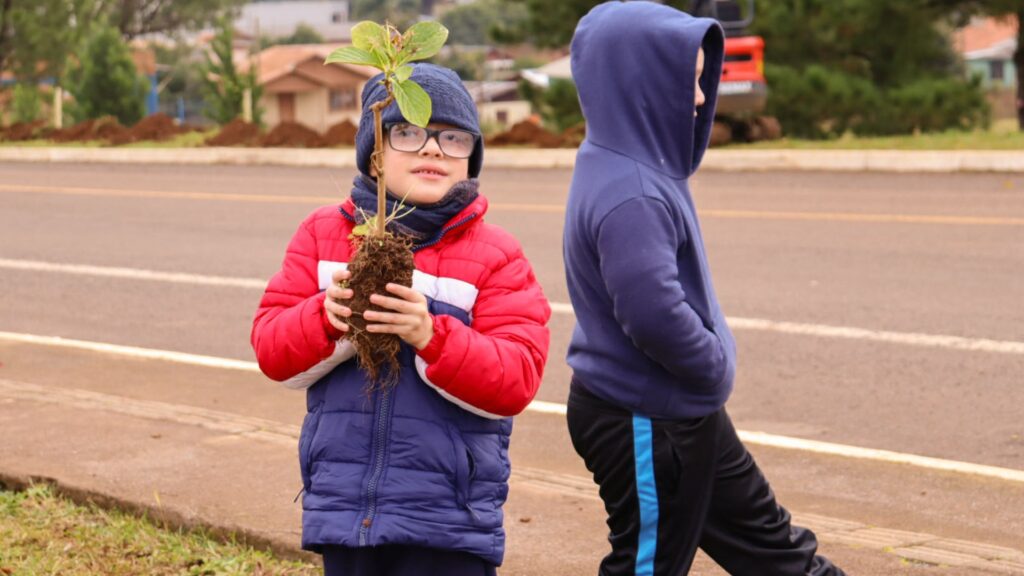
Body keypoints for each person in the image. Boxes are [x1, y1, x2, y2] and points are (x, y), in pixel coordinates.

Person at [562, 3, 845, 575]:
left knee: (775, 552)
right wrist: (712, 366)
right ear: (641, 83)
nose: (698, 98)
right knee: (647, 568)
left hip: (679, 410)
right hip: (641, 414)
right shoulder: (631, 192)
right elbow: (652, 312)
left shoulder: (621, 162)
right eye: (687, 81)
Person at [252, 63, 551, 576]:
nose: (434, 148)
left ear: (471, 158)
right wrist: (327, 318)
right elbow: (272, 351)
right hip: (345, 508)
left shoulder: (495, 254)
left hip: (448, 520)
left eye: (454, 138)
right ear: (374, 152)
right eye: (408, 132)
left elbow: (517, 377)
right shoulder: (324, 234)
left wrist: (432, 336)